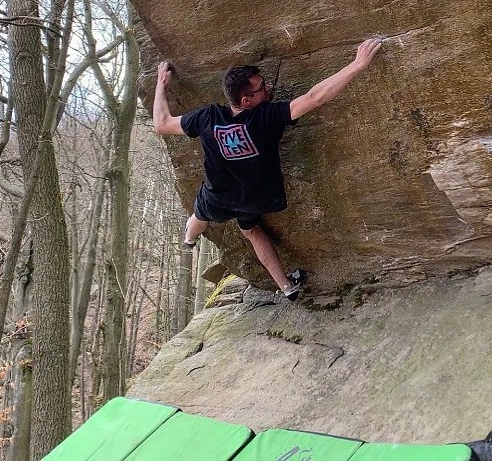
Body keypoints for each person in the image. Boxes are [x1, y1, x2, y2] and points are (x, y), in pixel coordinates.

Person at [153, 36, 383, 301]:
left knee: (198, 215)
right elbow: (314, 98)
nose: (269, 87)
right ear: (247, 100)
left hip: (218, 196)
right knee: (250, 230)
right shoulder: (269, 117)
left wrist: (161, 85)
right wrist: (357, 65)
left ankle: (189, 241)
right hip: (257, 199)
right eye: (262, 87)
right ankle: (287, 287)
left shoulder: (207, 118)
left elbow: (162, 124)